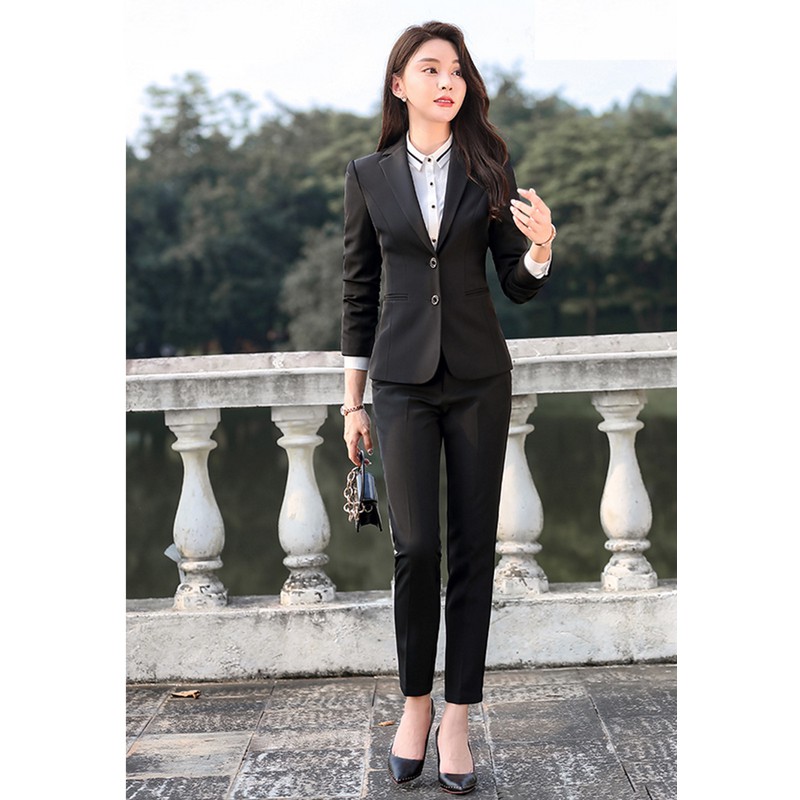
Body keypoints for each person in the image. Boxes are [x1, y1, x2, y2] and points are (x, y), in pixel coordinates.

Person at [340, 21, 555, 795]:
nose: (447, 82)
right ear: (400, 84)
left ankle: (458, 715)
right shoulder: (368, 175)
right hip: (399, 382)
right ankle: (415, 705)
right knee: (415, 547)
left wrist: (540, 249)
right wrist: (353, 404)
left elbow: (515, 282)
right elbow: (359, 290)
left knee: (471, 548)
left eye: (457, 70)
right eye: (431, 69)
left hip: (477, 379)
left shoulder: (487, 166)